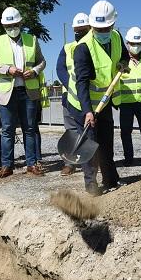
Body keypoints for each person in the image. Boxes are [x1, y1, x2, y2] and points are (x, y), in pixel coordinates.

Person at [67, 0, 129, 196]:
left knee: (106, 142)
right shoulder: (83, 48)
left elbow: (125, 56)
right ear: (92, 26)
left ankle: (111, 178)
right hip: (82, 103)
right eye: (98, 28)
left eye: (106, 28)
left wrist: (123, 64)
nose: (102, 31)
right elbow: (81, 83)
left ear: (112, 25)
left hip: (105, 101)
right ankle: (91, 185)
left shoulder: (117, 37)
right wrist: (87, 112)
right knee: (89, 145)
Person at [0, 7, 46, 178]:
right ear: (3, 26)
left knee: (30, 128)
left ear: (20, 23)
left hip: (28, 92)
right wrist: (7, 69)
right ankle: (7, 165)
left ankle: (32, 164)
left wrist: (34, 71)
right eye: (7, 25)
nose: (11, 28)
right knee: (7, 129)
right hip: (6, 92)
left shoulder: (32, 40)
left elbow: (42, 62)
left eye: (14, 24)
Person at [113, 27, 141, 167]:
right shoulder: (122, 60)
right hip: (126, 103)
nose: (135, 46)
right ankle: (128, 158)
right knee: (126, 132)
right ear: (127, 43)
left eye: (138, 43)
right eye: (132, 43)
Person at [56, 12, 90, 176]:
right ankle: (70, 163)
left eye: (82, 29)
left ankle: (90, 164)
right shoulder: (67, 47)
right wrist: (72, 85)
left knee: (90, 132)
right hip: (69, 97)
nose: (79, 33)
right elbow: (60, 69)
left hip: (91, 97)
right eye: (76, 30)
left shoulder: (94, 46)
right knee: (71, 130)